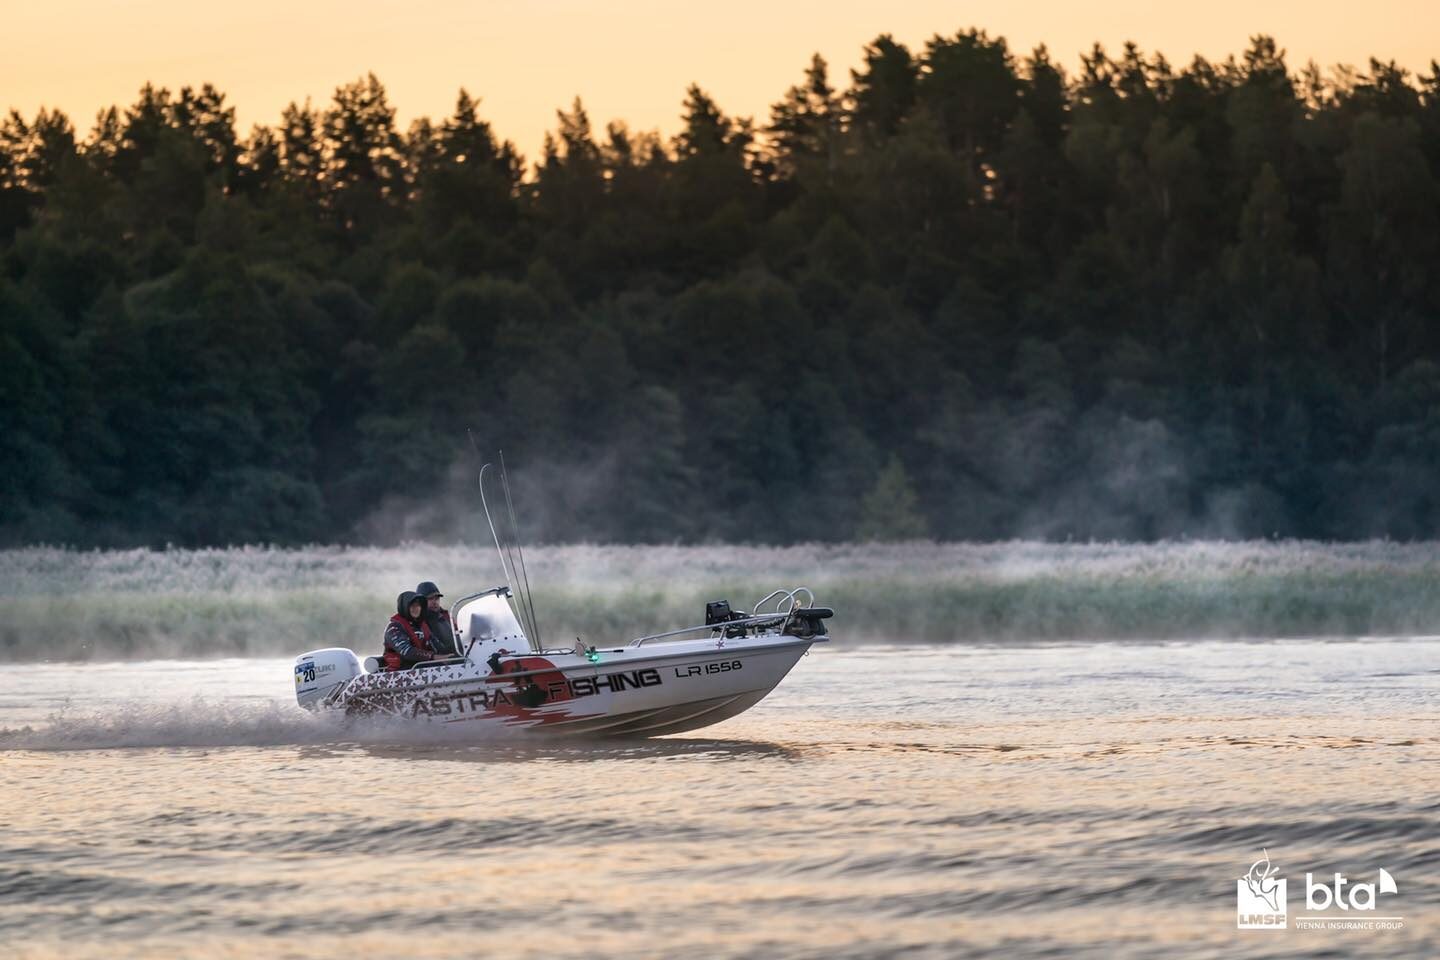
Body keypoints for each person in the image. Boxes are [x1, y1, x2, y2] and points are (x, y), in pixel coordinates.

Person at [383, 591, 440, 671]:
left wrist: (451, 653)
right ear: (405, 607)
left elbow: (436, 644)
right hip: (400, 672)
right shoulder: (394, 627)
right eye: (412, 605)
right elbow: (407, 651)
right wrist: (432, 656)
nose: (416, 608)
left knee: (451, 661)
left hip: (420, 668)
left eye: (418, 605)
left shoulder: (421, 625)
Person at [416, 580, 458, 657]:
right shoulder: (418, 621)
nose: (435, 602)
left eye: (437, 598)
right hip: (437, 662)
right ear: (421, 602)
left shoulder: (446, 616)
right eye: (430, 599)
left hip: (458, 656)